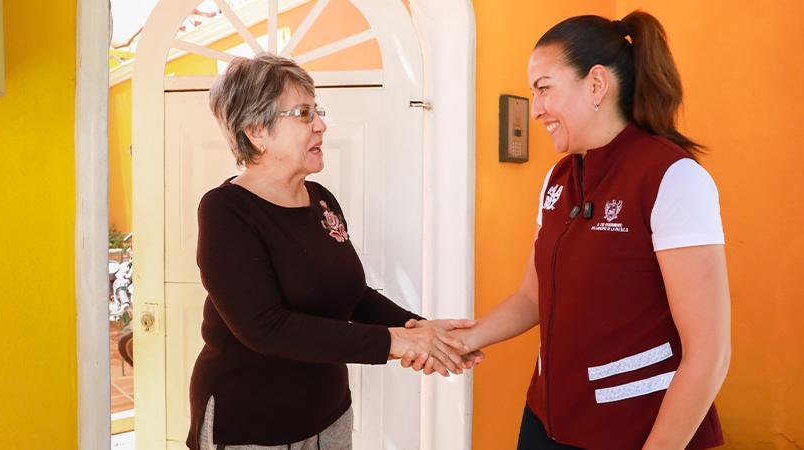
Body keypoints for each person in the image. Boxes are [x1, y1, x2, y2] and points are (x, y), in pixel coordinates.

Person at [407, 11, 731, 450]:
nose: (536, 108)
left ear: (596, 84)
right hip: (547, 423)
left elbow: (708, 354)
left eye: (544, 89)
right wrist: (462, 340)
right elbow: (531, 295)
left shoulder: (672, 178)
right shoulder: (559, 179)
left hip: (634, 430)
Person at [186, 53, 479, 450]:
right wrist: (394, 343)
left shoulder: (320, 200)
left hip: (329, 413)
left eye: (317, 110)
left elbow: (351, 294)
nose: (321, 125)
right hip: (253, 423)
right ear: (257, 131)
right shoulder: (226, 210)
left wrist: (422, 329)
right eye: (304, 114)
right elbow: (263, 326)